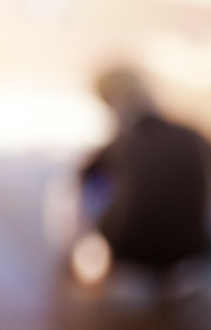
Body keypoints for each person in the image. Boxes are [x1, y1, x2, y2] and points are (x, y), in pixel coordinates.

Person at [70, 67, 211, 294]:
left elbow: (82, 178)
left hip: (129, 249)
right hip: (191, 248)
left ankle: (84, 259)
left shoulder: (120, 144)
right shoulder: (192, 135)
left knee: (85, 188)